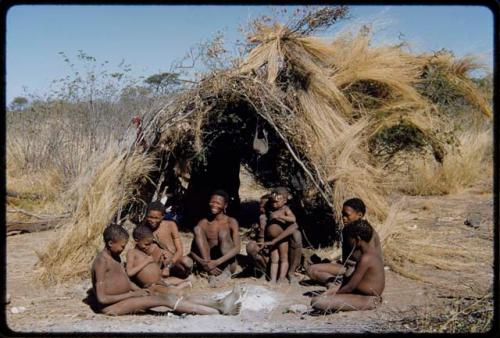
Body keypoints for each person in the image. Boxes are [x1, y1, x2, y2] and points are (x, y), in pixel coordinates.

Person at [91, 223, 243, 316]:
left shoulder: (115, 257)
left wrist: (139, 290)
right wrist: (135, 294)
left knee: (170, 296)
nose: (123, 249)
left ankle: (218, 305)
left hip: (127, 296)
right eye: (121, 246)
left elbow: (124, 279)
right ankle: (219, 309)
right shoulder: (101, 262)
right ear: (110, 243)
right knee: (166, 299)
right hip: (113, 307)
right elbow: (102, 299)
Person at [310, 219, 385, 312]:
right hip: (359, 293)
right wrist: (329, 292)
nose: (348, 241)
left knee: (318, 302)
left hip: (370, 299)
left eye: (350, 238)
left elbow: (350, 287)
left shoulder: (366, 258)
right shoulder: (367, 254)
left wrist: (332, 294)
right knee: (321, 297)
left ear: (357, 239)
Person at [306, 198, 382, 288]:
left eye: (347, 215)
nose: (344, 218)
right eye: (343, 215)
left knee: (347, 274)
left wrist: (350, 272)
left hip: (362, 272)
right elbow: (346, 259)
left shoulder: (367, 233)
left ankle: (335, 285)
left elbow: (372, 262)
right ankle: (333, 284)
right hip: (347, 268)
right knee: (311, 270)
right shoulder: (346, 230)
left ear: (359, 215)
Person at [246, 187, 303, 283]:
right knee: (274, 260)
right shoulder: (270, 212)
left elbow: (293, 220)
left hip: (282, 240)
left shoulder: (285, 209)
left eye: (277, 202)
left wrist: (280, 216)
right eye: (273, 202)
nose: (274, 204)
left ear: (284, 201)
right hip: (271, 241)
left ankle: (282, 277)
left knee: (283, 259)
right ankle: (272, 279)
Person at [190, 190, 241, 285]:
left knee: (223, 232)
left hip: (227, 264)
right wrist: (204, 263)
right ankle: (210, 273)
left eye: (218, 203)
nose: (214, 205)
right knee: (197, 229)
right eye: (212, 202)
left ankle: (225, 273)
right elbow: (192, 251)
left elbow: (237, 249)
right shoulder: (203, 223)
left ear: (225, 206)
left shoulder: (231, 222)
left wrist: (216, 262)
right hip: (208, 264)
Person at [126, 225, 191, 290]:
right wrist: (147, 262)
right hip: (156, 281)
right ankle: (181, 285)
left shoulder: (152, 248)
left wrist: (164, 264)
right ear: (136, 240)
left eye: (150, 244)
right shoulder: (133, 252)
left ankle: (184, 282)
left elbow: (153, 266)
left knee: (185, 262)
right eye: (146, 244)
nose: (148, 247)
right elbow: (130, 272)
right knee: (166, 288)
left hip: (161, 276)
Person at [143, 201, 193, 279]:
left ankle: (181, 276)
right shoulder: (143, 229)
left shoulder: (170, 225)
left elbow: (180, 250)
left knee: (187, 262)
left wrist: (168, 266)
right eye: (150, 217)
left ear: (162, 216)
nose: (152, 220)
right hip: (157, 263)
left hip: (173, 260)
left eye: (156, 218)